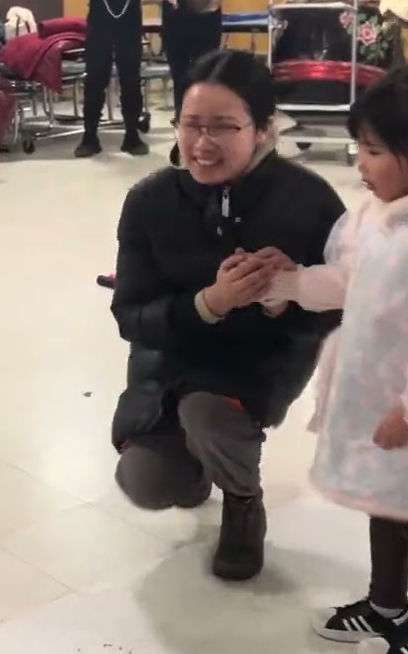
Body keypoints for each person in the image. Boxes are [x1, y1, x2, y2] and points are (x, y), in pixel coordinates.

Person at [260, 58, 408, 654]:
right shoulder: (375, 217)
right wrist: (292, 283)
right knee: (384, 504)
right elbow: (350, 280)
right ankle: (386, 604)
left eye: (372, 151)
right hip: (380, 398)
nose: (359, 164)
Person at [109, 50, 345, 582]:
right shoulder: (150, 200)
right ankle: (196, 468)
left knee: (208, 412)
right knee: (144, 481)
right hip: (170, 360)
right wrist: (209, 303)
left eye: (223, 127)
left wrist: (295, 292)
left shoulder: (308, 199)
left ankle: (242, 501)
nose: (202, 144)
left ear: (263, 129)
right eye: (191, 125)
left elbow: (350, 307)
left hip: (255, 364)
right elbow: (130, 315)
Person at [145, 0, 237, 166]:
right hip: (176, 27)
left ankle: (211, 138)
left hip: (207, 26)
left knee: (208, 82)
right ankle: (183, 140)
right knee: (182, 84)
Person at [74, 0, 157, 158]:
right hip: (100, 21)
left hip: (130, 21)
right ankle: (90, 135)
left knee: (131, 78)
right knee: (95, 77)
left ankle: (132, 134)